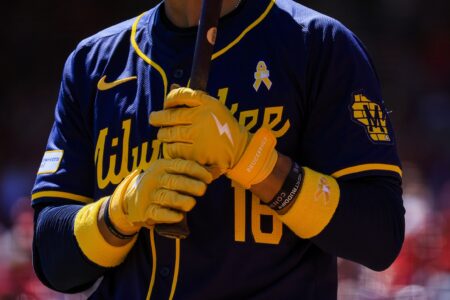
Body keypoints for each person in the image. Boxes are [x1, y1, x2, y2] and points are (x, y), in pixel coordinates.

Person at [31, 0, 405, 299]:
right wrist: (120, 210)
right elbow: (53, 261)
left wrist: (251, 160)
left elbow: (378, 236)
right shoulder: (92, 63)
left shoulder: (317, 44)